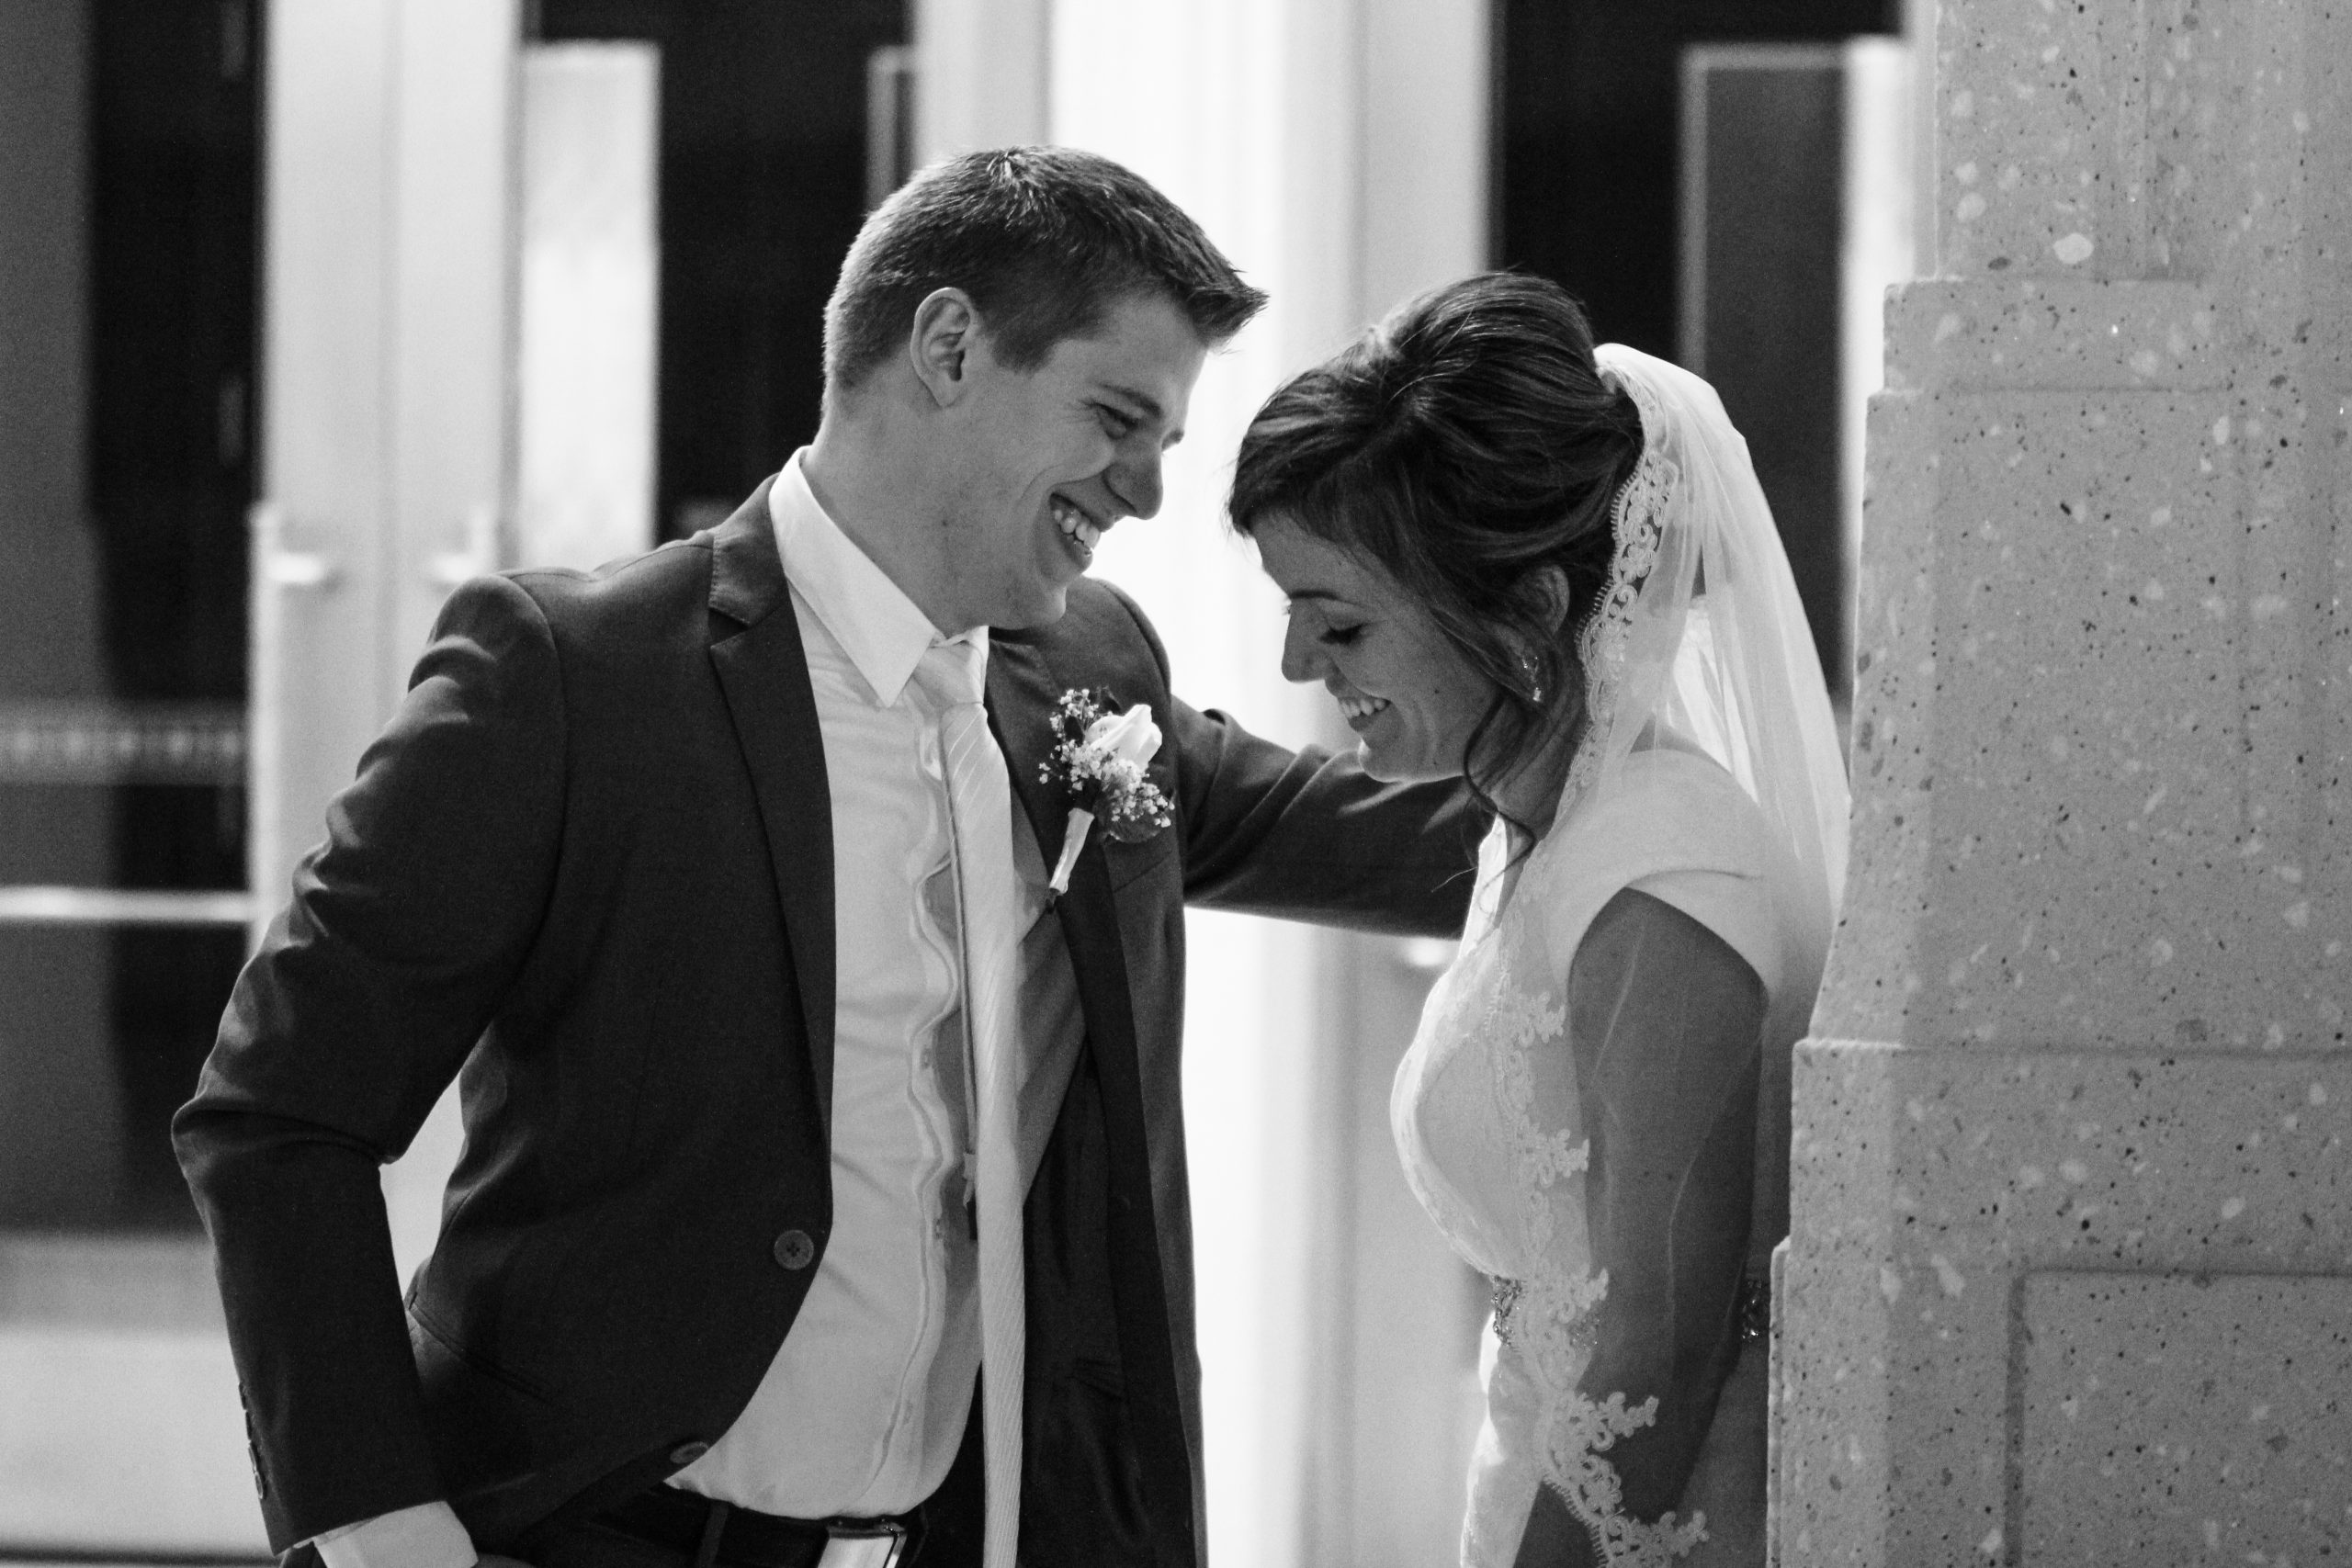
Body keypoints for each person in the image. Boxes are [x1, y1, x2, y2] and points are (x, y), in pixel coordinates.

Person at [175, 147, 1482, 1568]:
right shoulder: (573, 682)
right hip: (586, 1531)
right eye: (1119, 419)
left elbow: (1380, 836)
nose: (1149, 493)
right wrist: (379, 1530)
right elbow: (277, 1114)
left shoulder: (1094, 672)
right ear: (947, 348)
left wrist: (1619, 784)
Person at [1231, 273, 1849, 1565]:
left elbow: (1661, 1356)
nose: (1299, 668)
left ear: (1527, 615)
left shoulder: (1665, 869)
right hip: (1529, 1476)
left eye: (1336, 621)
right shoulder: (1549, 827)